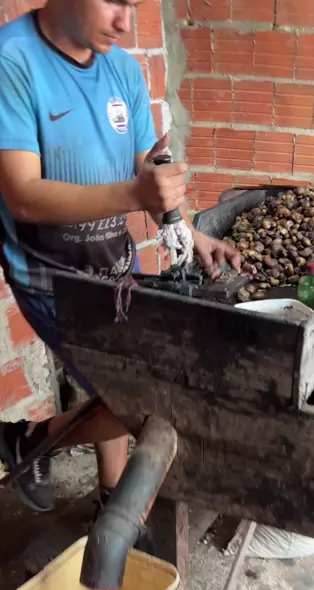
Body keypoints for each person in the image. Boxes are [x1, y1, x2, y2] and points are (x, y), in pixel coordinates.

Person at [0, 0, 241, 514]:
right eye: (113, 2)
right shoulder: (12, 61)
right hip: (52, 278)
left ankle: (109, 493)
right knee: (140, 395)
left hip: (114, 264)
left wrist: (189, 230)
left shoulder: (123, 70)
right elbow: (23, 196)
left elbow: (145, 168)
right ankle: (32, 439)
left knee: (116, 378)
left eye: (134, 5)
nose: (125, 24)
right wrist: (134, 195)